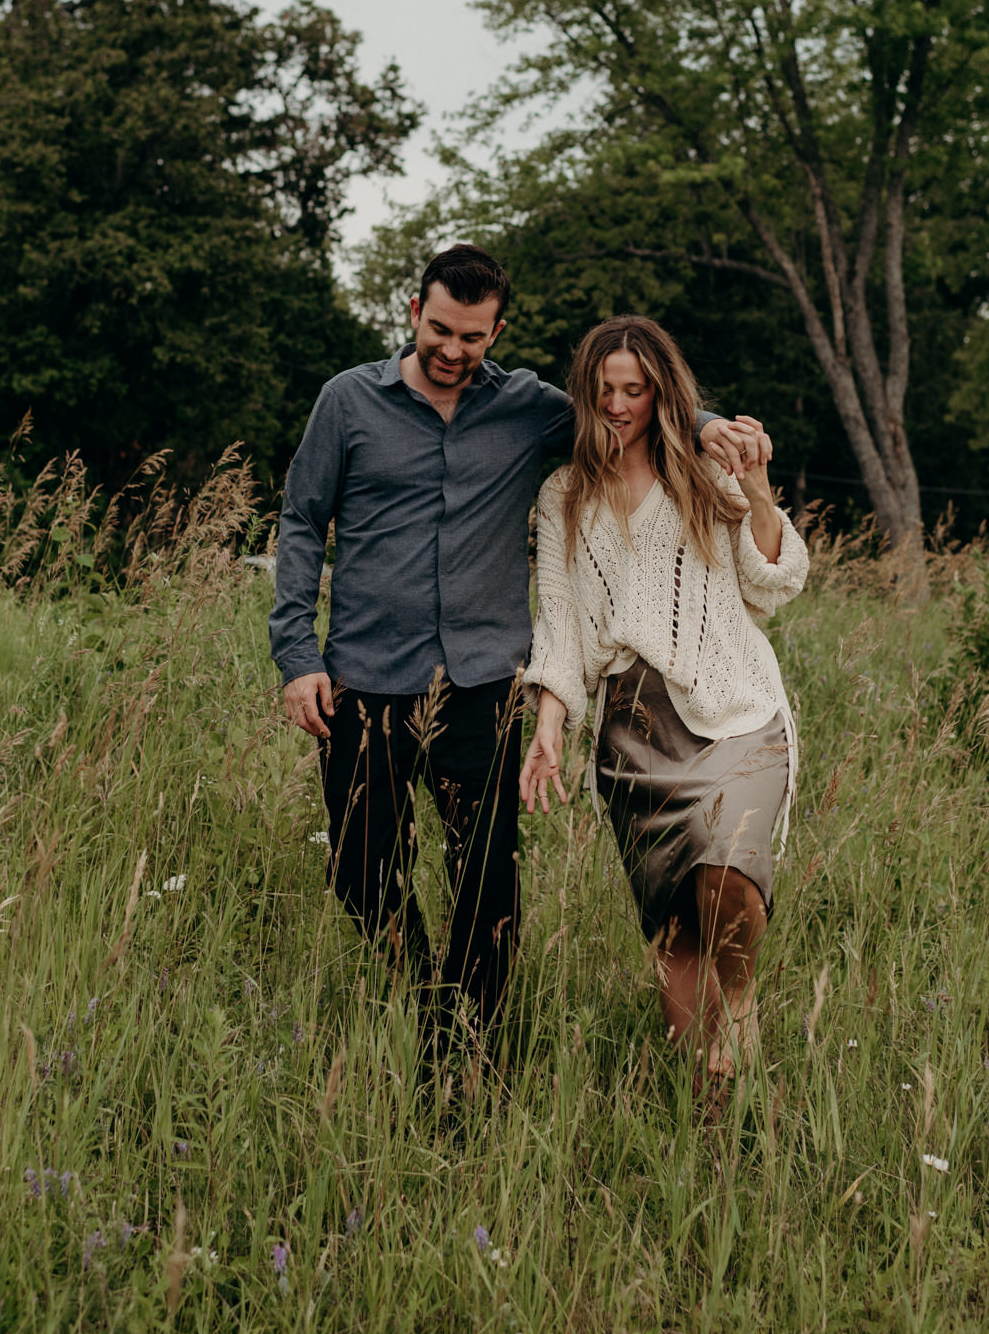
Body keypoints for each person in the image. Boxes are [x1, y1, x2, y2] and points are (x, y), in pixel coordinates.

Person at [269, 246, 773, 1052]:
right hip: (366, 678)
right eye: (440, 329)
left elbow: (632, 408)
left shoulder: (528, 408)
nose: (452, 350)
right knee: (359, 872)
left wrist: (713, 427)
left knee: (486, 884)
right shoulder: (347, 402)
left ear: (496, 330)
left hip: (483, 685)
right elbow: (300, 523)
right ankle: (427, 998)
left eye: (472, 336)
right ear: (413, 312)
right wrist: (298, 655)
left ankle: (475, 1055)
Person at [520, 315, 807, 1097]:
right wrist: (550, 727)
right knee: (677, 930)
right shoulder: (564, 495)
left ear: (660, 391)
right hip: (631, 734)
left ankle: (740, 1000)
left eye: (634, 389)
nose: (618, 405)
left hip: (735, 706)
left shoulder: (703, 475)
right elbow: (561, 629)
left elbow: (773, 584)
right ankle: (711, 1116)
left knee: (727, 871)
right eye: (604, 390)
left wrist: (754, 488)